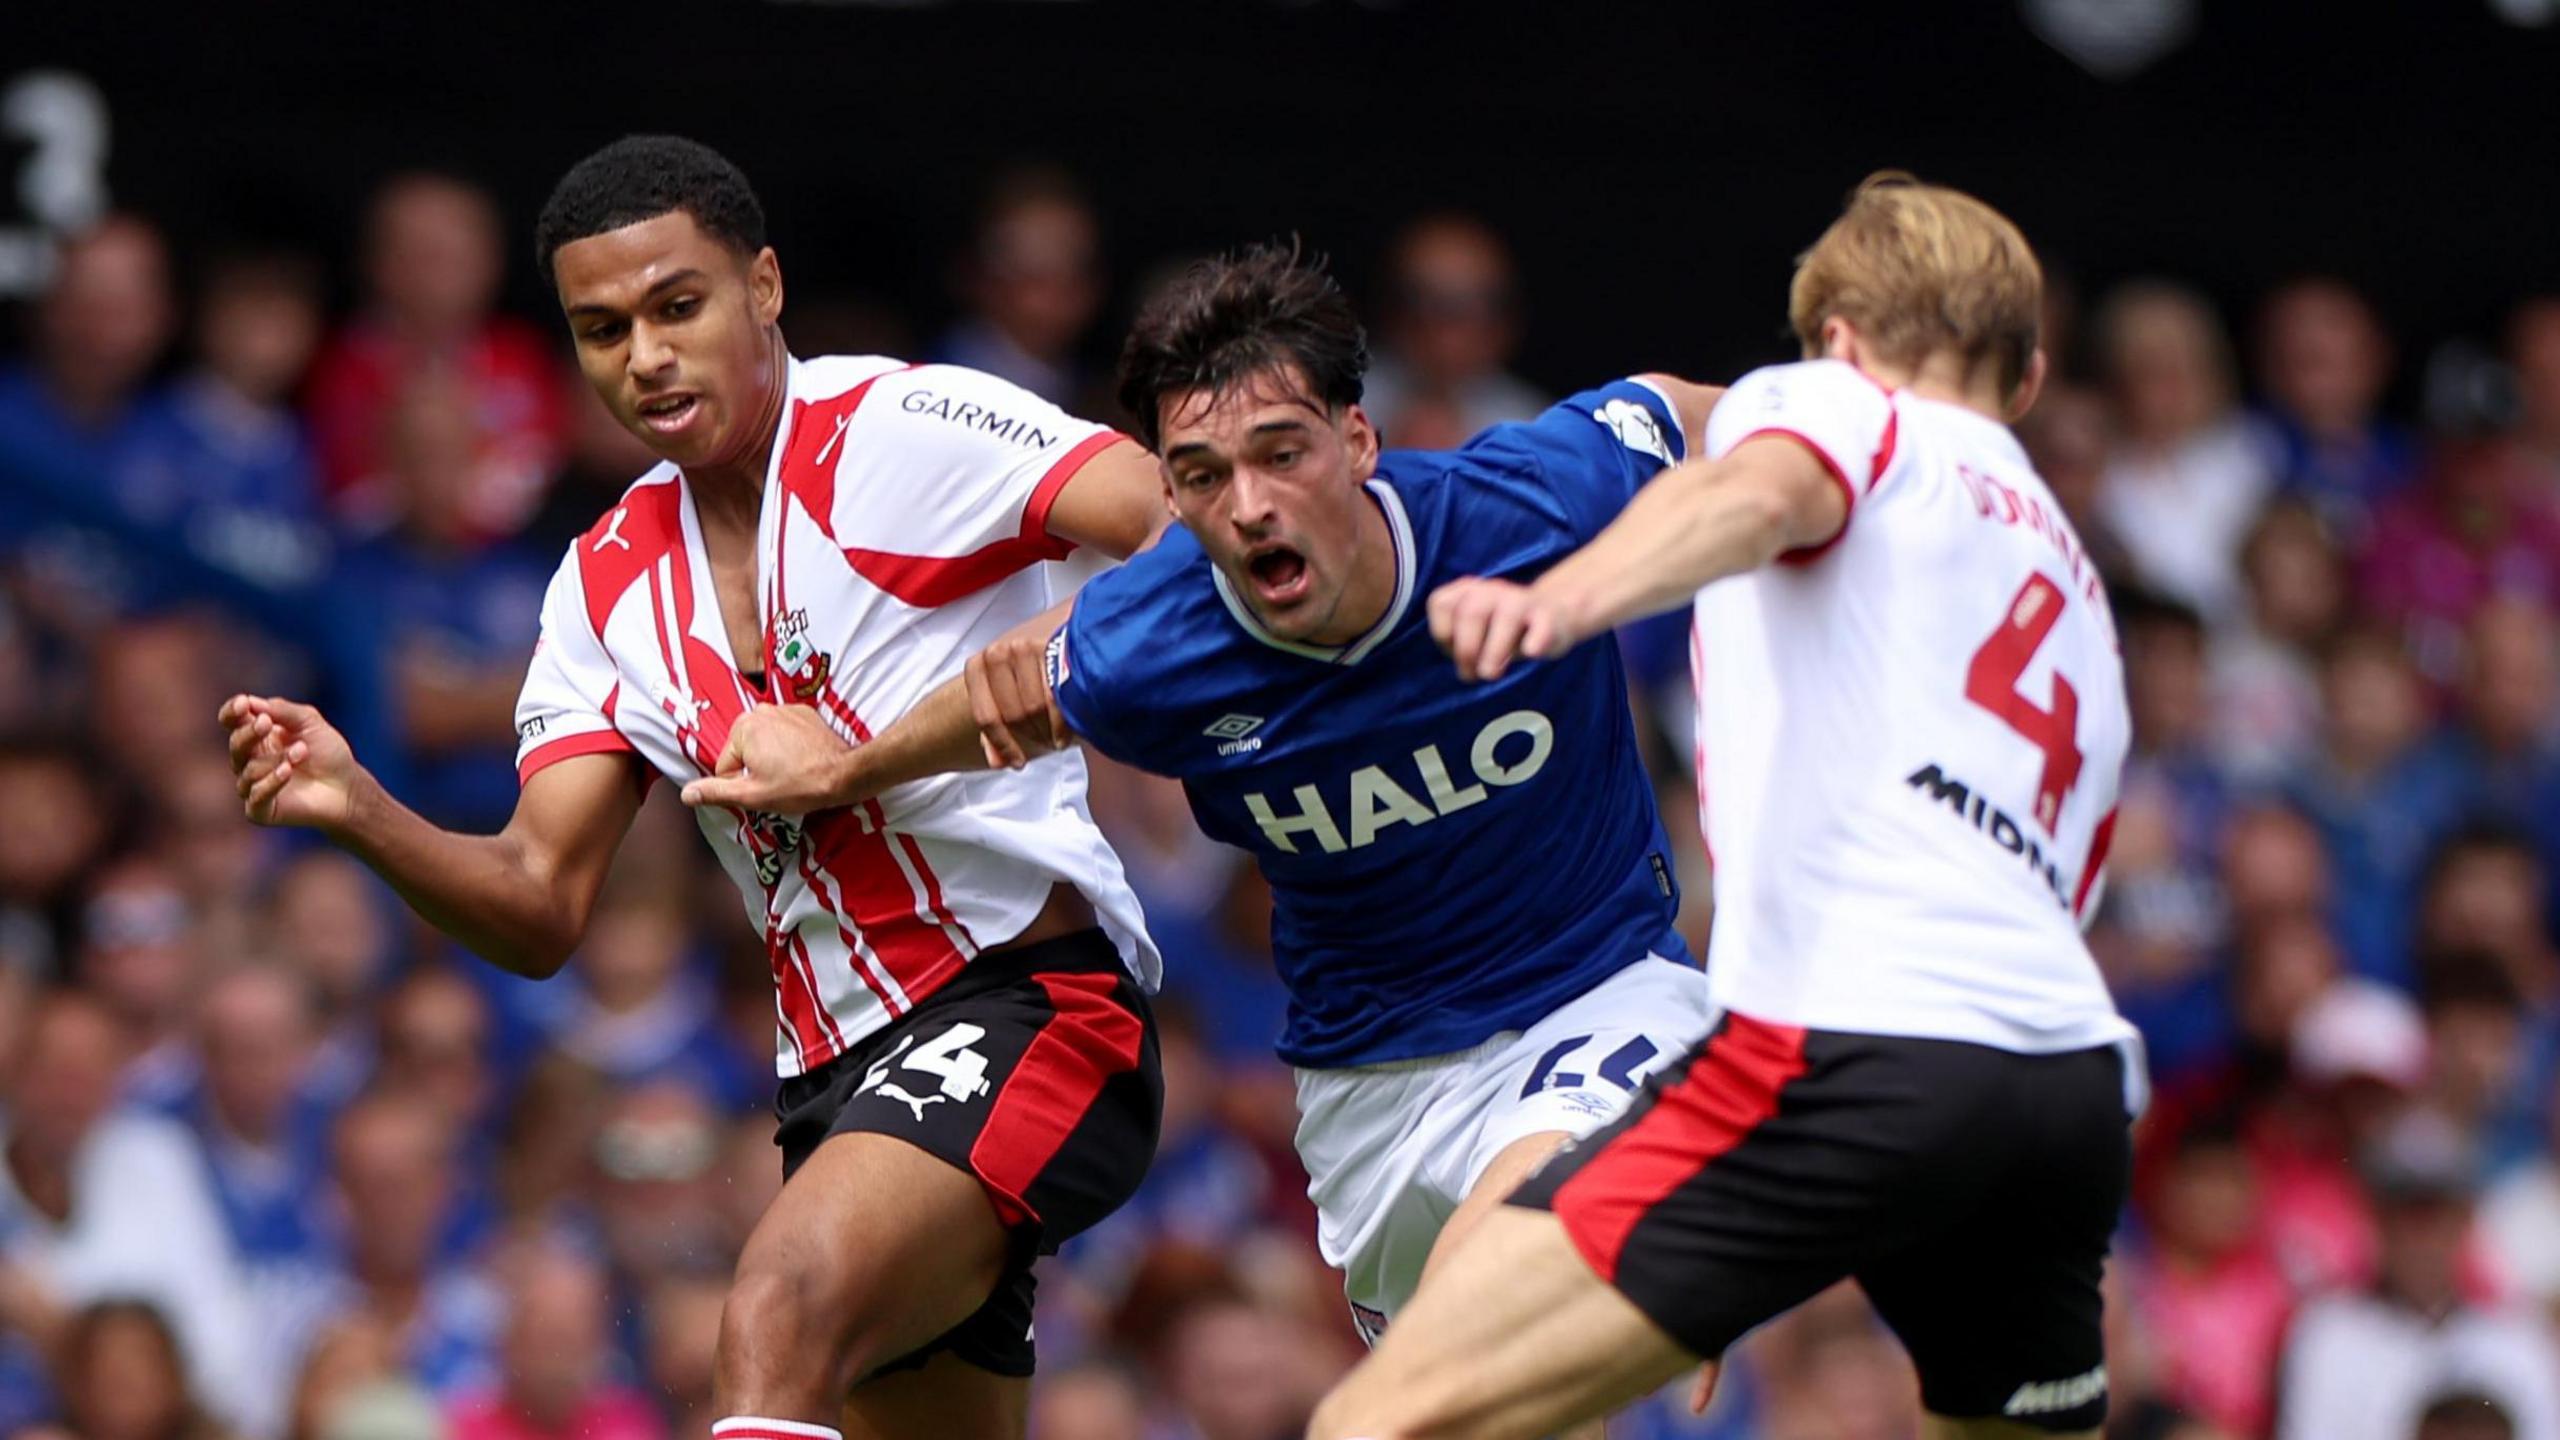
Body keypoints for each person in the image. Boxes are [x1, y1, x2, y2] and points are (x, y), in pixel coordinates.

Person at [218, 135, 1169, 1440]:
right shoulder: (599, 588)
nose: (646, 356)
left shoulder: (905, 429)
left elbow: (1180, 528)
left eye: (679, 306)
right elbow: (540, 904)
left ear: (762, 287)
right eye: (602, 329)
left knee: (768, 1309)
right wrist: (359, 810)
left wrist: (995, 682)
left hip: (1034, 1003)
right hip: (834, 1081)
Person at [682, 243, 1724, 1372]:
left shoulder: (1524, 505)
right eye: (1206, 474)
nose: (1254, 505)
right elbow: (1006, 703)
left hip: (1600, 997)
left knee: (1497, 1294)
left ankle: (1634, 1235)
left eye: (1284, 453)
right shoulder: (1148, 646)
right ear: (1171, 496)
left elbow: (1700, 413)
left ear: (1358, 440)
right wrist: (845, 771)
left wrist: (1891, 451)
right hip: (1372, 1089)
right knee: (1520, 1402)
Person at [1307, 172, 2140, 1440]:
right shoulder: (2073, 585)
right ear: (2024, 382)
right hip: (2063, 1093)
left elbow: (1750, 495)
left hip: (1852, 1053)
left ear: (1843, 346)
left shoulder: (1846, 408)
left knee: (1381, 1425)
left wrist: (1559, 600)